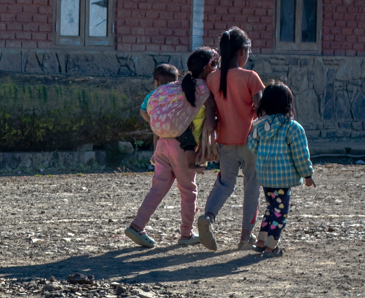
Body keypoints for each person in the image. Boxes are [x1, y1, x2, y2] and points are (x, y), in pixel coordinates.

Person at [125, 48, 218, 248]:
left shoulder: (177, 87)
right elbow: (210, 124)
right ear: (208, 67)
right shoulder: (204, 90)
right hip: (182, 148)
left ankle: (137, 225)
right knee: (188, 191)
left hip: (163, 143)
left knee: (157, 188)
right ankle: (186, 233)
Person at [198, 27, 266, 251]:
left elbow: (211, 108)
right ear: (242, 51)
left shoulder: (213, 78)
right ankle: (246, 237)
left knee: (225, 183)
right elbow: (261, 108)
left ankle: (208, 217)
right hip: (250, 142)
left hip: (225, 141)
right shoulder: (250, 77)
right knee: (252, 186)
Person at [246, 81, 316, 257]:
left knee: (271, 208)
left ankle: (261, 241)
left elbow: (252, 146)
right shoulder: (293, 128)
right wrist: (307, 174)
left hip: (265, 177)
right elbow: (300, 154)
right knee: (280, 212)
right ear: (288, 104)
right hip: (283, 179)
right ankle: (271, 246)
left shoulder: (259, 125)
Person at [140, 64, 179, 154]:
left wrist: (151, 120)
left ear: (156, 82)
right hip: (176, 125)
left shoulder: (152, 95)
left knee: (156, 136)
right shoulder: (178, 93)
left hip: (159, 124)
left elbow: (143, 110)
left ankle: (156, 153)